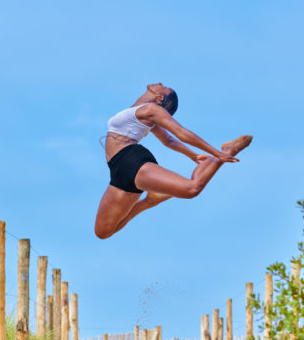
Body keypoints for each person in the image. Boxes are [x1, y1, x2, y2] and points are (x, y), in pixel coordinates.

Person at [94, 82, 252, 239]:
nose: (161, 83)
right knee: (103, 231)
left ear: (159, 97)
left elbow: (180, 132)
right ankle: (151, 200)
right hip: (117, 169)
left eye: (164, 87)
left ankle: (228, 149)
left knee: (192, 189)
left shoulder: (151, 110)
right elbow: (168, 140)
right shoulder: (139, 110)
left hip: (130, 161)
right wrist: (193, 156)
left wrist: (217, 153)